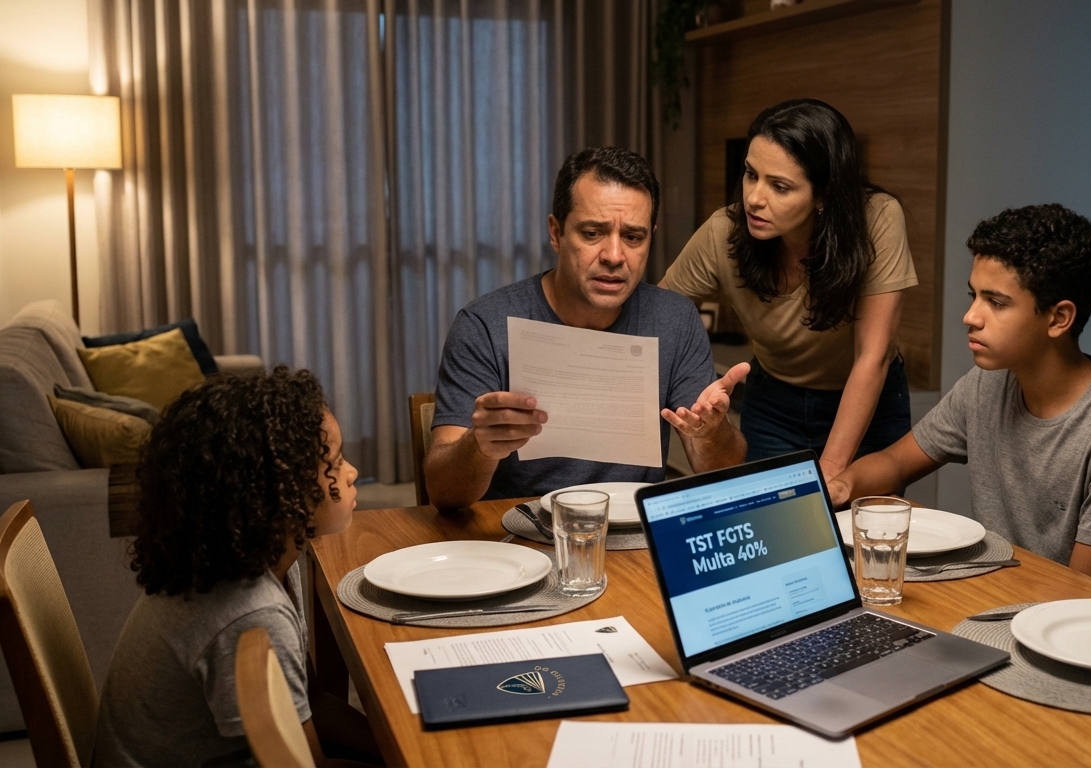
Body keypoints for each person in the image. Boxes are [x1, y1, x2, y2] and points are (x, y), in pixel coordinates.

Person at [829, 204, 1091, 605]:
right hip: (1005, 600)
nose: (970, 316)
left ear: (1058, 318)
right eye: (973, 295)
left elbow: (1081, 596)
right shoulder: (987, 384)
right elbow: (895, 463)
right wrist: (843, 485)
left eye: (995, 302)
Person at [425, 147, 748, 508]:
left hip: (634, 535)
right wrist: (480, 446)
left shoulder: (674, 319)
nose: (613, 255)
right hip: (519, 530)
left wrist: (712, 433)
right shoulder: (485, 323)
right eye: (593, 233)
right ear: (556, 232)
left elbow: (721, 471)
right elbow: (442, 493)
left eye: (633, 237)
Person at [92, 367, 372, 767]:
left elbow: (310, 703)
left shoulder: (264, 554)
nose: (351, 472)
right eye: (336, 460)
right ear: (281, 491)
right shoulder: (252, 613)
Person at [660, 99, 918, 483]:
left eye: (780, 186)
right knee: (773, 531)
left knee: (862, 535)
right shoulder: (724, 231)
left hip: (868, 402)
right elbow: (658, 319)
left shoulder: (877, 219)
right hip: (774, 403)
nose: (754, 198)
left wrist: (829, 472)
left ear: (824, 195)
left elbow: (873, 356)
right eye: (751, 174)